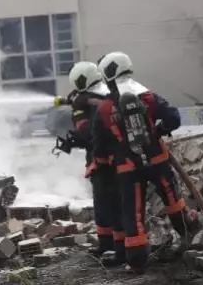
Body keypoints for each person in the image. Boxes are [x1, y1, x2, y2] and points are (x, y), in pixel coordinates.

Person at [92, 51, 198, 273]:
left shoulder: (103, 108)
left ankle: (137, 261)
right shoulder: (148, 96)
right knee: (173, 200)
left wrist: (107, 163)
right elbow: (174, 118)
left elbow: (98, 145)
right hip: (158, 161)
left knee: (134, 214)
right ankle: (191, 238)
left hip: (128, 169)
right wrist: (157, 132)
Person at [60, 61, 126, 265]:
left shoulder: (88, 102)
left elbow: (88, 134)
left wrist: (75, 137)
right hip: (103, 161)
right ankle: (106, 244)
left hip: (107, 162)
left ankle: (120, 249)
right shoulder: (101, 95)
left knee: (112, 205)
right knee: (102, 206)